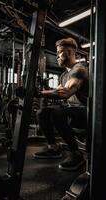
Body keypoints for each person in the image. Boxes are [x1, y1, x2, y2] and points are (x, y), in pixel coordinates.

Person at [33, 37, 89, 170]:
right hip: (72, 110)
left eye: (59, 52)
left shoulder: (79, 70)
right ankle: (54, 148)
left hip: (87, 112)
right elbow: (56, 92)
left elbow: (65, 93)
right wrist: (40, 92)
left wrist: (40, 93)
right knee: (42, 113)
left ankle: (76, 154)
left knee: (57, 113)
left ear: (69, 52)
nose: (57, 56)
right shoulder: (64, 75)